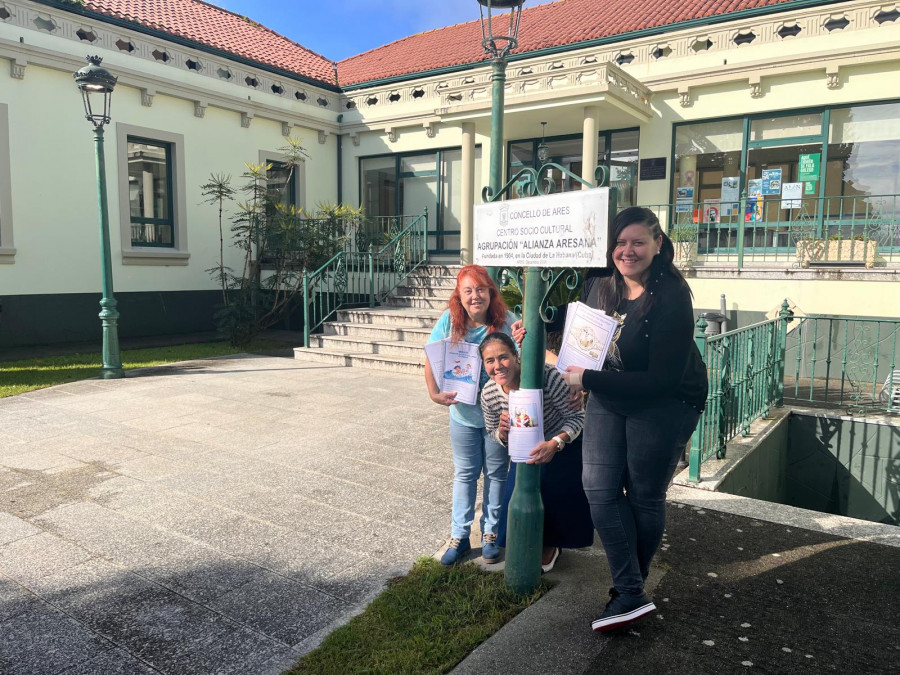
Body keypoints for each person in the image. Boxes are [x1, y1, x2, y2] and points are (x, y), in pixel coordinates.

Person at [560, 206, 708, 632]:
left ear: (658, 245)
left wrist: (587, 377)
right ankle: (632, 592)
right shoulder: (600, 282)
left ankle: (627, 594)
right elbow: (584, 334)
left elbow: (662, 382)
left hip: (668, 402)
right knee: (599, 489)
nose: (627, 250)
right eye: (620, 242)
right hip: (611, 389)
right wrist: (541, 327)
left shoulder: (673, 297)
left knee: (643, 494)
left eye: (638, 241)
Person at [425, 264, 521, 565]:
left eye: (480, 289)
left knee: (496, 474)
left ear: (491, 292)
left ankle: (490, 533)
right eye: (468, 290)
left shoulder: (505, 321)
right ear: (460, 295)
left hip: (499, 418)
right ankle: (460, 536)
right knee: (465, 475)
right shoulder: (449, 321)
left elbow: (525, 351)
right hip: (463, 416)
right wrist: (433, 393)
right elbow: (430, 356)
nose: (475, 296)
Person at [479, 332, 594, 572]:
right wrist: (502, 433)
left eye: (503, 357)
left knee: (553, 488)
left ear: (516, 355)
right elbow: (491, 430)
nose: (497, 366)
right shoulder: (489, 393)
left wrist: (556, 443)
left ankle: (552, 544)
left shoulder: (547, 376)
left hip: (562, 446)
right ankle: (529, 538)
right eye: (490, 361)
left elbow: (576, 416)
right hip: (525, 452)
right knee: (514, 498)